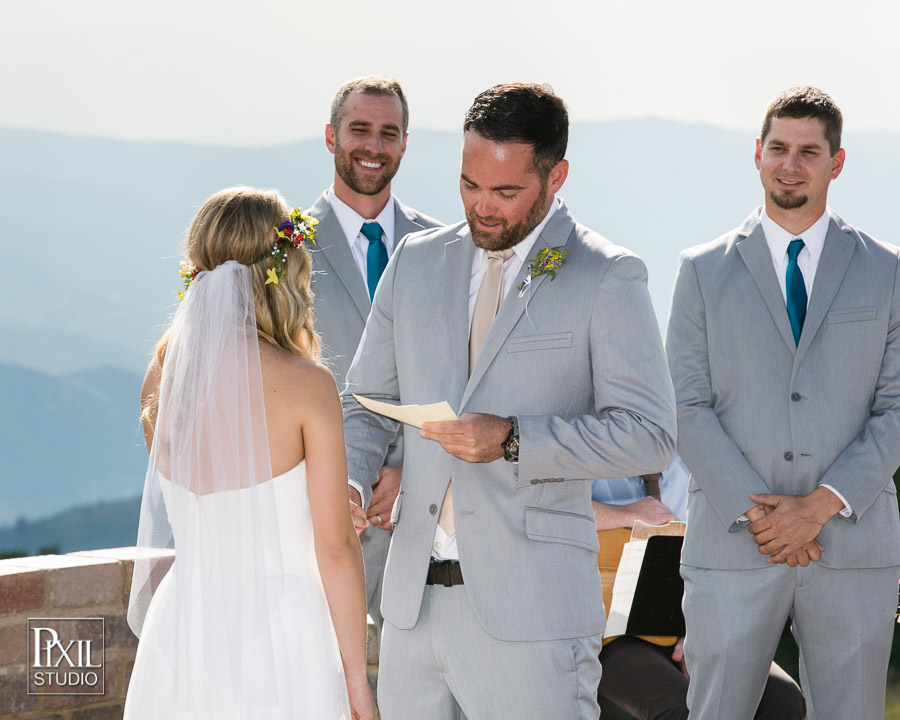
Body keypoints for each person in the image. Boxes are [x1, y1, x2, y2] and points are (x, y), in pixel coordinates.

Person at [342, 82, 676, 720]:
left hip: (536, 618)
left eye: (505, 192)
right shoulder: (413, 261)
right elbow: (367, 400)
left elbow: (649, 433)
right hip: (410, 612)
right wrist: (353, 484)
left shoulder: (608, 275)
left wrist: (515, 438)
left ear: (557, 177)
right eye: (469, 185)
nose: (481, 209)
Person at [666, 86, 900, 720]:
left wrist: (820, 506)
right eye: (778, 148)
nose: (790, 164)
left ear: (838, 162)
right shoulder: (700, 270)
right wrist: (767, 518)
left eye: (809, 152)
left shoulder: (888, 272)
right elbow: (685, 406)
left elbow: (897, 408)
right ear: (758, 156)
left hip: (851, 545)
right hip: (734, 543)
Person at [125, 187, 376, 720]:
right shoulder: (308, 385)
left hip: (185, 628)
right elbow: (335, 548)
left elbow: (209, 495)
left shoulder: (162, 375)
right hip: (281, 636)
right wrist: (357, 682)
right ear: (285, 272)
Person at [304, 76, 443, 633]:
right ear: (331, 137)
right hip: (320, 523)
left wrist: (411, 471)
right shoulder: (282, 252)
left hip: (424, 532)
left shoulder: (444, 249)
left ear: (405, 143)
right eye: (359, 129)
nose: (374, 146)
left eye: (390, 133)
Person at [592, 458, 806, 720]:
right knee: (681, 708)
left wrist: (697, 633)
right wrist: (627, 514)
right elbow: (540, 508)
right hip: (606, 634)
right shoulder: (587, 442)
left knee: (783, 697)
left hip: (689, 621)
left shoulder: (693, 452)